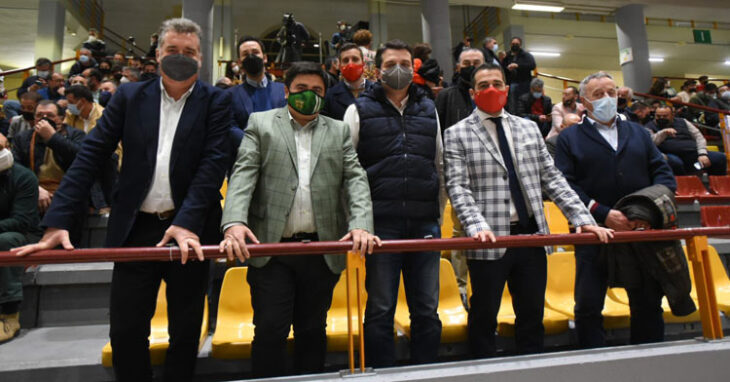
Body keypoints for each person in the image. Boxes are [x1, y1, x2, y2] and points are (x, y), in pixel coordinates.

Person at [13, 18, 231, 381]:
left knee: (186, 328)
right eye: (173, 50)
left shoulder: (217, 102)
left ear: (201, 57)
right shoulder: (130, 96)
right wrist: (58, 220)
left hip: (191, 228)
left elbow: (212, 167)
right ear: (159, 54)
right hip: (136, 228)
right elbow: (91, 154)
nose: (181, 58)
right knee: (127, 331)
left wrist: (186, 222)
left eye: (189, 52)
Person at [219, 61, 378, 377]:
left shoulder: (338, 131)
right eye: (301, 89)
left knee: (312, 330)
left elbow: (355, 179)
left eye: (317, 90)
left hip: (319, 251)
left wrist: (360, 223)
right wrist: (234, 221)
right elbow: (243, 174)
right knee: (269, 330)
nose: (309, 96)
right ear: (286, 91)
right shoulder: (261, 124)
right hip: (271, 249)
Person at [444, 62, 610, 359]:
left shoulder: (529, 128)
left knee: (532, 316)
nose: (491, 90)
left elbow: (553, 179)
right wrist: (475, 225)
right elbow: (457, 187)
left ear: (507, 90)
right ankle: (483, 372)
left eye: (497, 83)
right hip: (488, 239)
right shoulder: (457, 133)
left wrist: (582, 219)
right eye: (483, 86)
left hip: (532, 237)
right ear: (472, 93)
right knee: (483, 316)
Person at [554, 72, 676, 349]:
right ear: (584, 101)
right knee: (588, 305)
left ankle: (649, 363)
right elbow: (564, 185)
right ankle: (594, 364)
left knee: (647, 304)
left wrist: (644, 213)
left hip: (639, 232)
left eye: (612, 92)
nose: (608, 98)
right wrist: (603, 213)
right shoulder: (569, 138)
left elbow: (663, 175)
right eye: (599, 94)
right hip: (594, 233)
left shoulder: (638, 133)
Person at [343, 39, 445, 368]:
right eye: (390, 65)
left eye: (404, 63)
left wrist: (437, 214)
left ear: (413, 68)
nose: (397, 70)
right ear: (377, 69)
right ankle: (382, 374)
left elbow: (439, 163)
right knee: (380, 308)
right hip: (379, 227)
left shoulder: (429, 108)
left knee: (427, 309)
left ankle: (428, 372)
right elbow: (347, 169)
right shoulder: (358, 109)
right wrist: (357, 221)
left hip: (425, 224)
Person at [11, 100, 86, 215]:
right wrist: (35, 189)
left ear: (61, 118)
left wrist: (53, 137)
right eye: (39, 115)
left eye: (50, 115)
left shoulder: (76, 135)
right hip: (34, 191)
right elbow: (16, 168)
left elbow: (81, 159)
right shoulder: (22, 138)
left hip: (67, 191)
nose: (44, 119)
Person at [0, 148, 42, 343]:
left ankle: (10, 313)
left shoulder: (24, 177)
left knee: (5, 241)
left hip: (22, 234)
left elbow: (21, 221)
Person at [229, 36, 286, 136]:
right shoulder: (230, 95)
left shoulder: (284, 90)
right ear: (239, 62)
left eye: (255, 52)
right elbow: (231, 127)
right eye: (245, 54)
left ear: (264, 58)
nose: (251, 57)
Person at [645, 105, 726, 176]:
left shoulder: (683, 121)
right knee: (676, 163)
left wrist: (702, 154)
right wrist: (663, 133)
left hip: (694, 153)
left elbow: (699, 137)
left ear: (672, 115)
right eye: (658, 116)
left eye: (665, 116)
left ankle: (718, 186)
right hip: (670, 155)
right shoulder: (649, 126)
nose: (661, 118)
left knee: (720, 157)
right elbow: (651, 142)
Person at [321, 43, 374, 120]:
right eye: (345, 60)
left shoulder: (378, 91)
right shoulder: (329, 96)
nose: (350, 64)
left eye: (355, 59)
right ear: (339, 66)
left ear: (363, 64)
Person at [436, 48, 484, 129]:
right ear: (458, 68)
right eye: (466, 63)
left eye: (476, 63)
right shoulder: (446, 96)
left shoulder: (494, 93)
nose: (472, 66)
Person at [502, 37, 535, 113]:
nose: (514, 45)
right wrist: (507, 68)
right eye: (513, 44)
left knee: (524, 101)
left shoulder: (527, 55)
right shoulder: (507, 56)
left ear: (520, 45)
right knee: (512, 103)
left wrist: (518, 66)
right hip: (512, 83)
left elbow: (532, 65)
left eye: (517, 44)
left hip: (525, 82)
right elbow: (502, 67)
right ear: (510, 45)